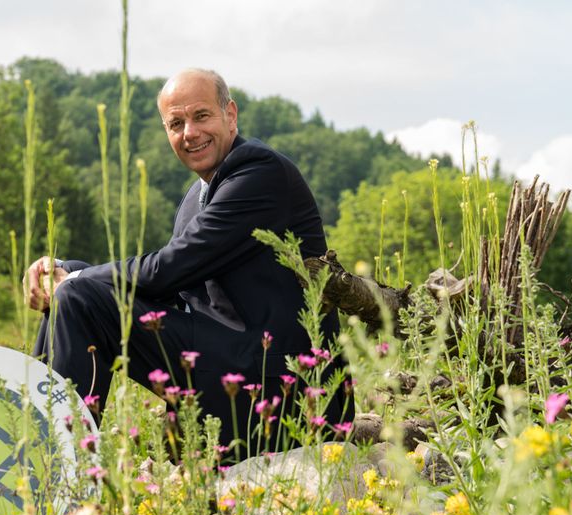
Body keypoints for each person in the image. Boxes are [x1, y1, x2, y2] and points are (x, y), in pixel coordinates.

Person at [26, 68, 349, 461]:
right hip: (232, 361)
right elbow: (170, 290)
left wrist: (74, 278)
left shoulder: (260, 173)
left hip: (283, 386)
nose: (189, 133)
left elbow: (168, 270)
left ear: (231, 115)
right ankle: (39, 434)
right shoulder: (197, 197)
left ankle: (61, 463)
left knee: (78, 291)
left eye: (201, 116)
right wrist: (63, 267)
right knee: (74, 294)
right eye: (176, 124)